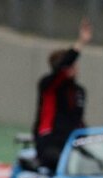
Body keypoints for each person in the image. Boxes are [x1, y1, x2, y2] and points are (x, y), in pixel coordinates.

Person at [32, 18, 92, 169]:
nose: (74, 68)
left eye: (74, 66)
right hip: (50, 142)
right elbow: (63, 67)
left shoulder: (80, 91)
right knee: (61, 162)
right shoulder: (48, 85)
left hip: (72, 141)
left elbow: (79, 120)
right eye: (70, 66)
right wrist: (81, 43)